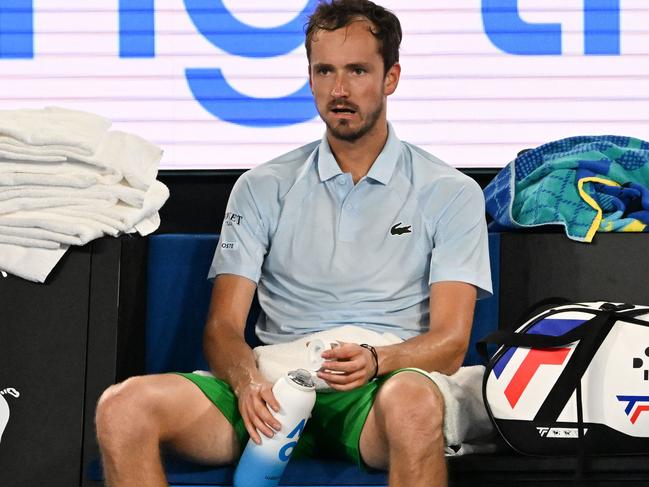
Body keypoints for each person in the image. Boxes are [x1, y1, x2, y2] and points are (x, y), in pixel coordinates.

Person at [94, 1, 492, 486]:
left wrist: (375, 360)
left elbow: (450, 344)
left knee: (412, 403)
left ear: (391, 78)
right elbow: (222, 327)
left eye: (358, 70)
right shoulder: (261, 185)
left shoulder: (450, 191)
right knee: (122, 407)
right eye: (324, 71)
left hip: (380, 388)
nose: (339, 90)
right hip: (274, 383)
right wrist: (247, 382)